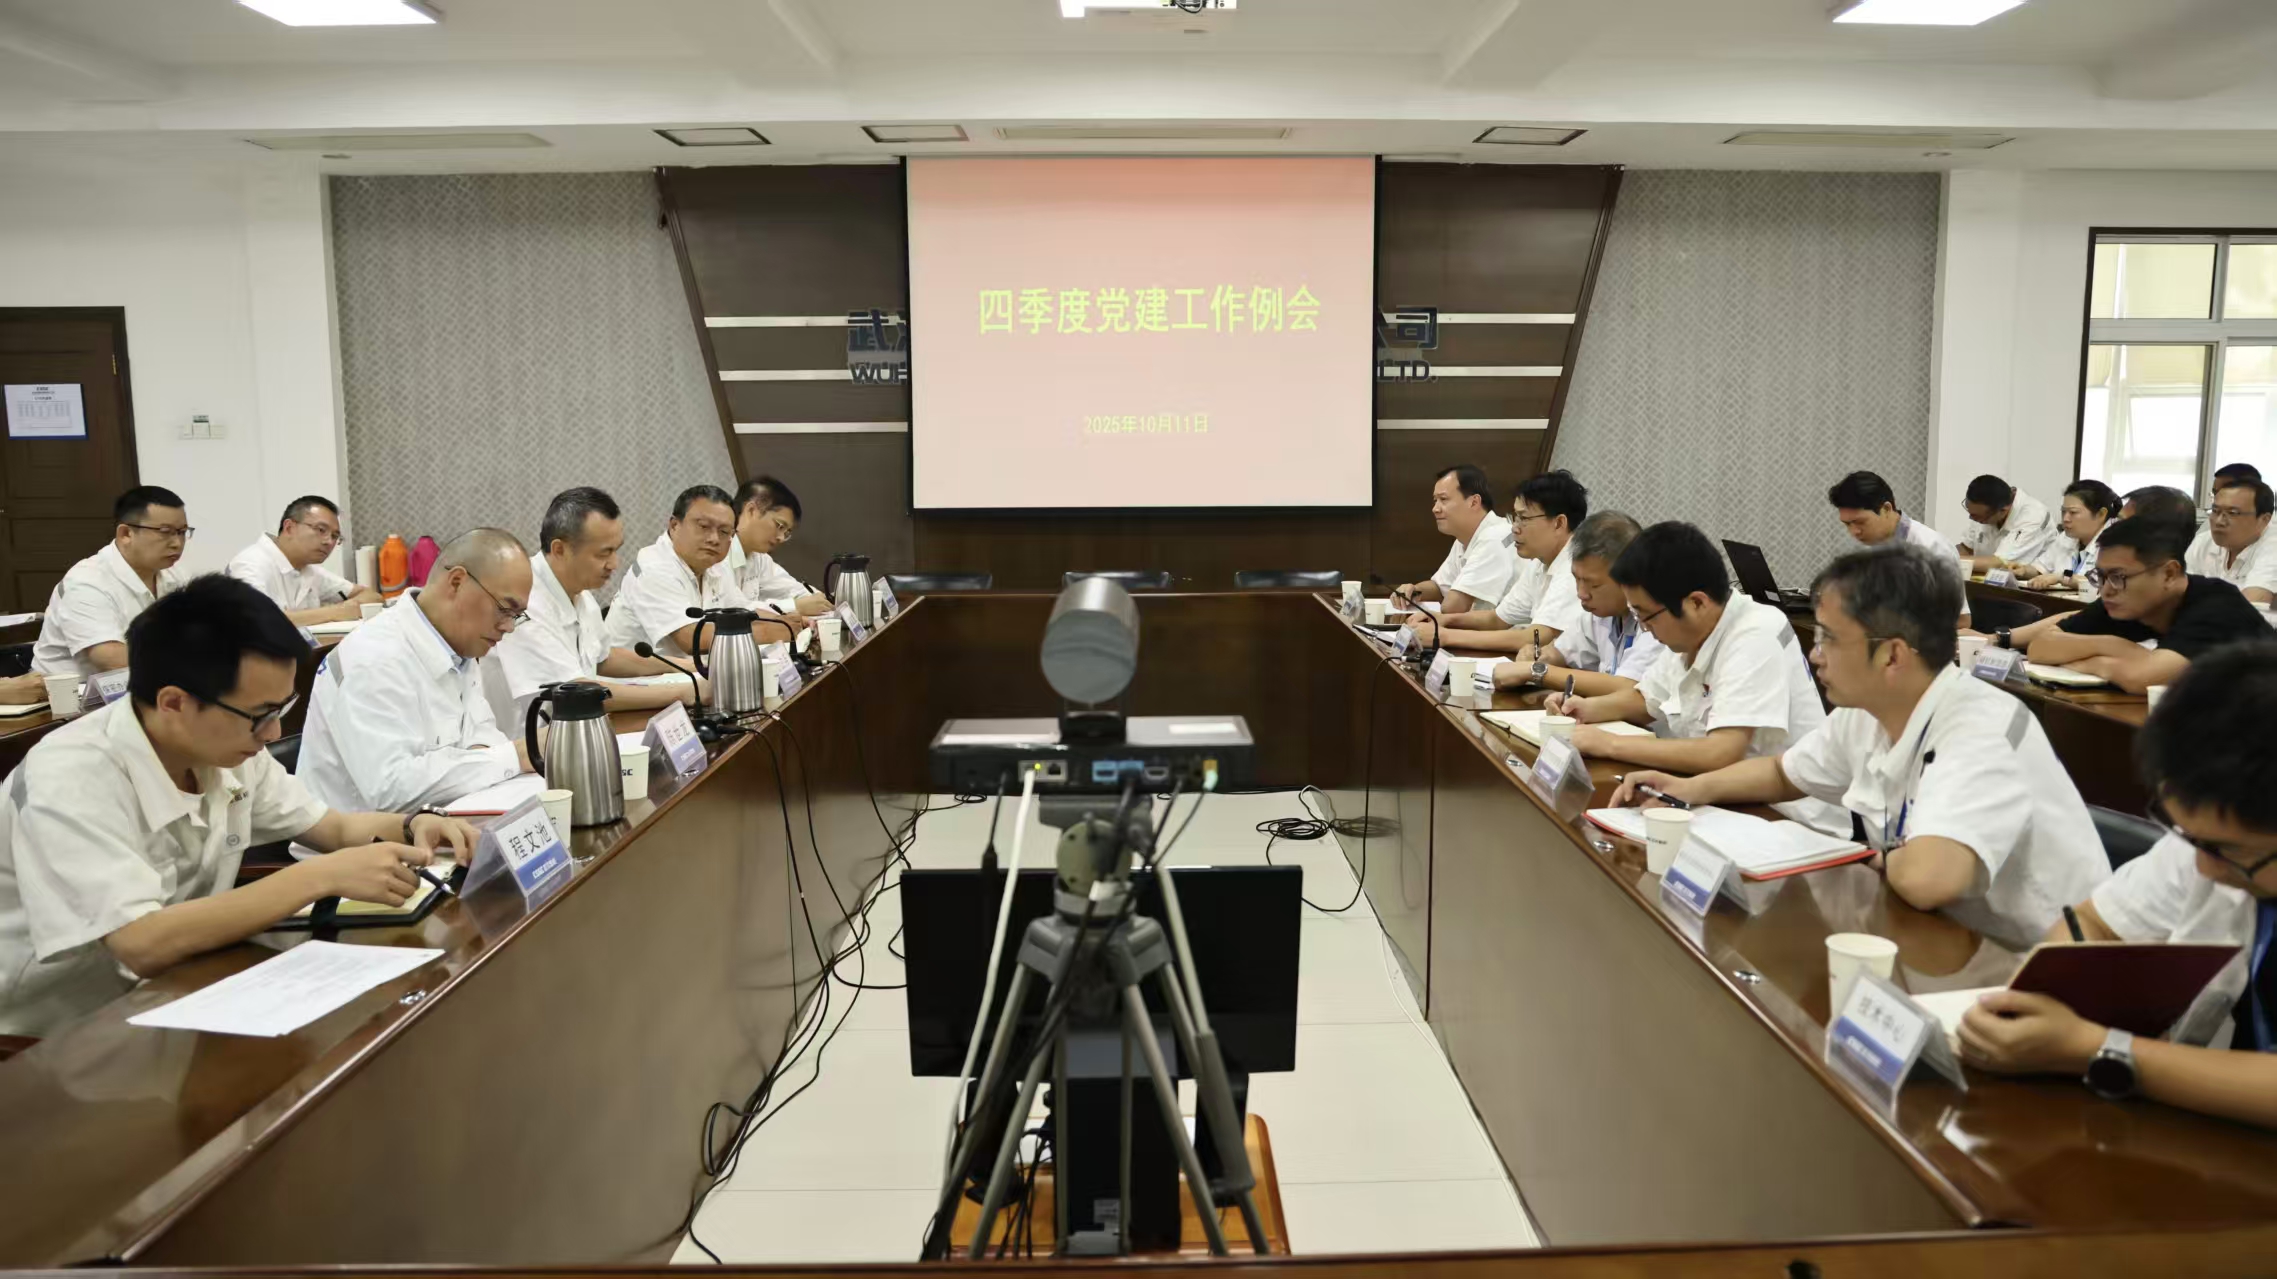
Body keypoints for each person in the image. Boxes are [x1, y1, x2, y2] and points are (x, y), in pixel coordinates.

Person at [0, 576, 480, 1036]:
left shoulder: (224, 748)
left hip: (183, 991)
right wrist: (321, 876)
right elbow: (140, 943)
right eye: (259, 715)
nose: (274, 733)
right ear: (173, 703)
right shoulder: (69, 776)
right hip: (55, 1036)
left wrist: (414, 824)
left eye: (281, 709)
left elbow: (331, 828)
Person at [1610, 545, 2109, 946]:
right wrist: (1687, 789)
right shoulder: (1868, 709)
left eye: (1828, 639)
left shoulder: (1981, 729)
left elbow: (1930, 878)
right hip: (1935, 936)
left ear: (1892, 655)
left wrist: (1884, 859)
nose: (1814, 655)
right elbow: (1783, 773)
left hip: (2026, 963)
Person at [1957, 642, 2277, 1129]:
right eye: (2190, 837)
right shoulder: (2212, 839)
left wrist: (2096, 1048)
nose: (2205, 868)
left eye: (2229, 851)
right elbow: (2096, 922)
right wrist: (2044, 1000)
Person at [1542, 522, 1845, 830]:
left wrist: (1609, 744)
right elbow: (1646, 699)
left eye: (1646, 616)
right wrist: (1586, 708)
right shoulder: (1689, 632)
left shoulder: (1756, 633)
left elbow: (1721, 752)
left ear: (1697, 602)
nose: (1645, 627)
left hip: (1787, 818)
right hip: (1715, 796)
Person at [297, 528, 533, 814]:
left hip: (440, 819)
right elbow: (392, 790)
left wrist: (481, 761)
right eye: (504, 609)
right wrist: (516, 755)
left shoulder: (460, 644)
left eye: (516, 616)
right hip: (364, 836)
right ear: (457, 582)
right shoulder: (374, 657)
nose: (509, 627)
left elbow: (483, 739)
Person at [483, 487, 705, 728]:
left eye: (616, 550)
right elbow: (575, 693)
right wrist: (687, 691)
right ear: (559, 550)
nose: (614, 564)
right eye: (604, 553)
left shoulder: (580, 592)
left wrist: (688, 667)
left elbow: (603, 657)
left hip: (578, 730)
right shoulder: (525, 602)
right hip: (531, 743)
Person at [1997, 514, 2268, 694]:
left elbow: (2142, 678)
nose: (2106, 589)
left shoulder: (2217, 606)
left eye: (2118, 576)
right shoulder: (2123, 598)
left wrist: (2092, 663)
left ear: (2169, 573)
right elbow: (2041, 647)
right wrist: (2111, 645)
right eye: (2100, 576)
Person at [604, 484, 793, 660]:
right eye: (703, 526)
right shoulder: (654, 567)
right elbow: (691, 638)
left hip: (690, 674)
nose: (714, 539)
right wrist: (772, 632)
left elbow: (742, 610)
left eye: (724, 532)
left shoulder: (715, 565)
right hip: (638, 680)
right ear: (674, 525)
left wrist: (784, 622)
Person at [1489, 511, 1667, 697]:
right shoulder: (1599, 614)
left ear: (1628, 576)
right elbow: (1559, 653)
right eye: (1576, 579)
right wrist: (1536, 657)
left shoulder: (1656, 618)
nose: (1581, 593)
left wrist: (1535, 671)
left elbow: (1629, 687)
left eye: (1594, 585)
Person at [1414, 469, 1587, 654]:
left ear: (1559, 523)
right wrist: (1444, 620)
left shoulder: (1576, 567)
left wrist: (1446, 636)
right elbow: (1497, 619)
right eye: (1515, 518)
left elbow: (1537, 637)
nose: (1514, 528)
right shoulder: (1539, 563)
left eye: (1524, 518)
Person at [31, 486, 191, 678]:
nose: (177, 543)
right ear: (126, 534)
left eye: (182, 532)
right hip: (68, 694)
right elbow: (111, 660)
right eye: (165, 532)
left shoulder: (175, 574)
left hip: (144, 685)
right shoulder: (86, 581)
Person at [1828, 471, 1970, 626]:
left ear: (1886, 509)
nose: (1854, 532)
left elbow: (1960, 621)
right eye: (1847, 524)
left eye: (1860, 522)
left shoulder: (1931, 548)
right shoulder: (1869, 549)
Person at [225, 495, 382, 627]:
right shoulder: (250, 564)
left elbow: (371, 596)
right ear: (289, 527)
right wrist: (337, 612)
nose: (329, 541)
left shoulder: (309, 570)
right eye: (321, 530)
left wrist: (348, 607)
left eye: (335, 536)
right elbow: (260, 619)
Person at [1390, 465, 1516, 617]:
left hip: (1517, 631)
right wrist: (1414, 591)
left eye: (1443, 499)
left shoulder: (1496, 537)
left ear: (1474, 502)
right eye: (1435, 500)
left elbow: (1453, 607)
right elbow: (1439, 587)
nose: (1435, 509)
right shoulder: (1464, 538)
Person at [727, 476, 830, 620]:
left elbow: (792, 589)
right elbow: (731, 610)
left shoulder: (759, 557)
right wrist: (795, 606)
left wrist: (818, 599)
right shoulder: (718, 552)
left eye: (786, 532)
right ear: (751, 511)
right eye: (779, 526)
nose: (781, 538)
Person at [2184, 477, 2277, 605]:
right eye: (2215, 511)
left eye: (2232, 513)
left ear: (2264, 520)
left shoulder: (2273, 545)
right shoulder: (2203, 541)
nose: (2219, 521)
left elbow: (2252, 604)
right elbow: (2178, 594)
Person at [2025, 479, 2120, 590]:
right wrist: (2022, 570)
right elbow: (2041, 568)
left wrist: (2062, 577)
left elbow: (2104, 583)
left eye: (2073, 512)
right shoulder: (2066, 537)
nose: (2065, 519)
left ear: (2101, 514)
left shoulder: (2117, 543)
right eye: (2063, 511)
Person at [1958, 475, 2060, 576]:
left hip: (2034, 583)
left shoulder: (2034, 516)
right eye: (1969, 512)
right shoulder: (1986, 506)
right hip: (1987, 579)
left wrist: (1955, 560)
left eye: (1978, 517)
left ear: (2003, 510)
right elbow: (1966, 548)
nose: (1971, 518)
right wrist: (1950, 556)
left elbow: (1999, 564)